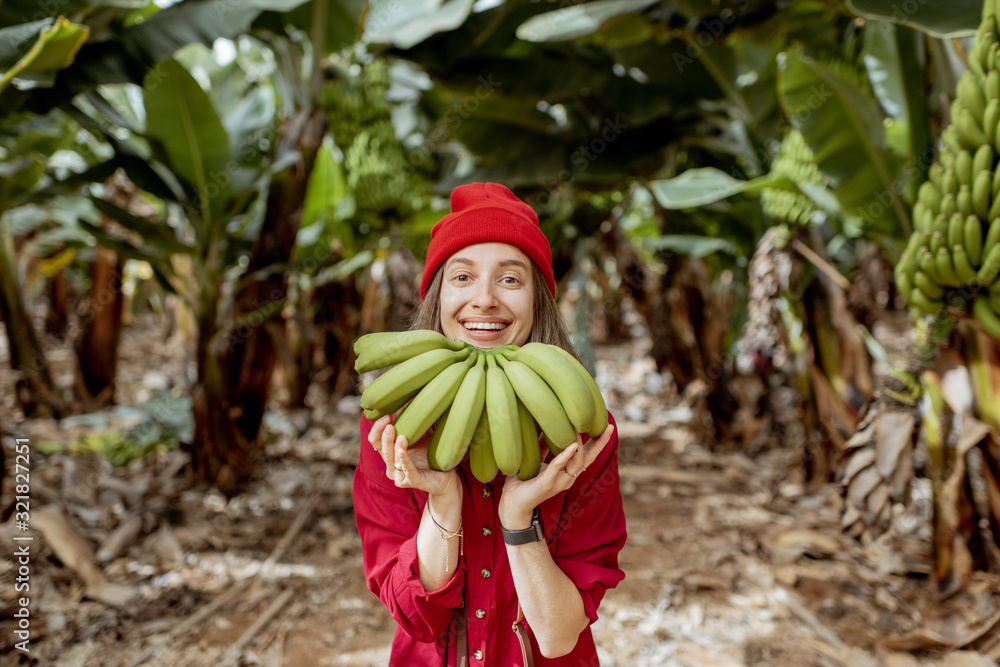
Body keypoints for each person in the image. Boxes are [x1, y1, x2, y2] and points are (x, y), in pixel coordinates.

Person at [353, 182, 627, 666]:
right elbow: (417, 619)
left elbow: (559, 636)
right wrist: (442, 497)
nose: (484, 300)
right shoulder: (394, 430)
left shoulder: (583, 438)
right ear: (438, 297)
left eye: (509, 279)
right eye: (462, 277)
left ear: (537, 300)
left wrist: (518, 520)